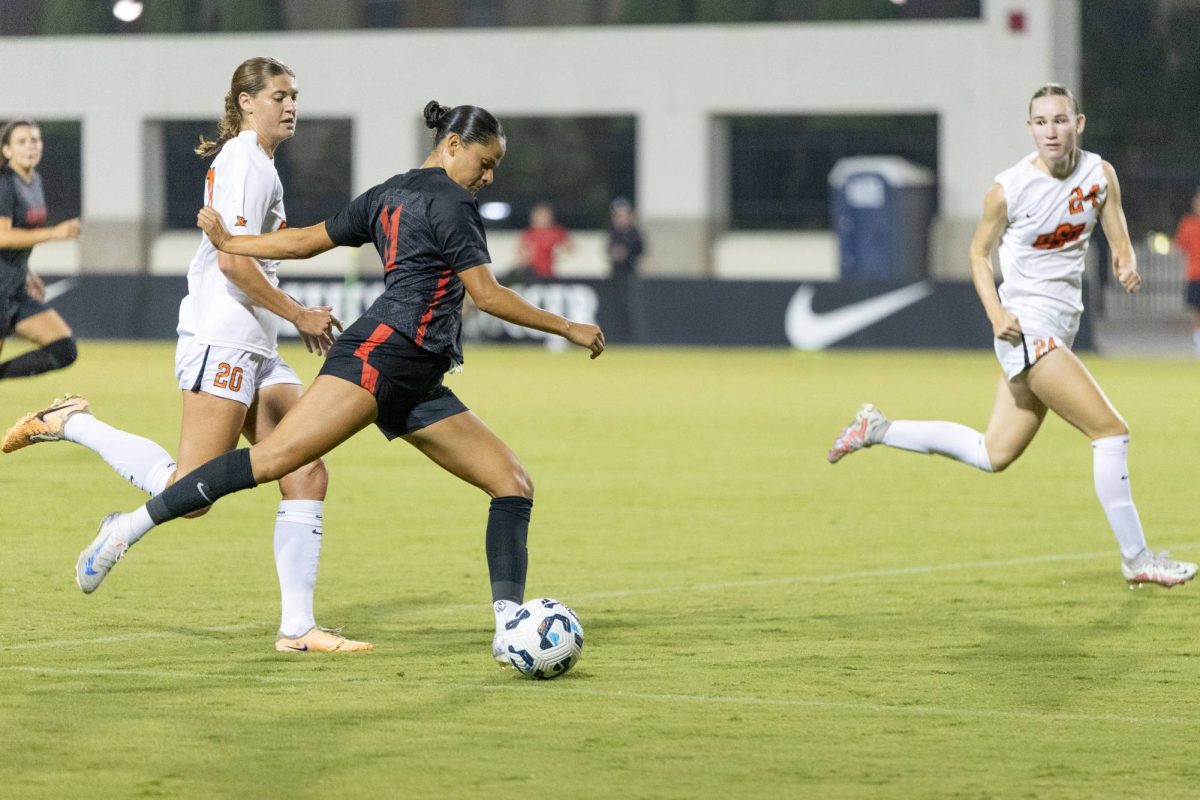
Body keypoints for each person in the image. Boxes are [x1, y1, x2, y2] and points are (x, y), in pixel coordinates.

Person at [71, 100, 606, 665]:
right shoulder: (453, 203)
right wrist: (568, 326)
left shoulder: (388, 193)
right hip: (379, 357)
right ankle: (128, 527)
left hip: (418, 377)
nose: (489, 175)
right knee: (276, 461)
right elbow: (489, 295)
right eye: (486, 161)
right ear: (452, 145)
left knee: (512, 483)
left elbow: (304, 241)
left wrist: (236, 243)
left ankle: (508, 627)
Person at [3, 58, 369, 653]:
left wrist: (287, 314)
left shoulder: (259, 163)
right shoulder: (246, 160)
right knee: (192, 494)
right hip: (223, 335)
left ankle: (297, 629)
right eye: (279, 95)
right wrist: (297, 312)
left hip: (256, 342)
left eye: (295, 96)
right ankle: (75, 424)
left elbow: (250, 255)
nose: (291, 106)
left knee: (306, 469)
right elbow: (232, 261)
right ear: (247, 102)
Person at [826, 83, 1196, 589]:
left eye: (1060, 120)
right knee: (1111, 432)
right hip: (1027, 329)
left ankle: (878, 429)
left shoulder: (1099, 174)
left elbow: (1116, 231)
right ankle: (1138, 559)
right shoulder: (1008, 189)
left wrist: (1126, 260)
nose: (1051, 130)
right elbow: (978, 254)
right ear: (1029, 128)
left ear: (1078, 124)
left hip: (1057, 330)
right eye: (1041, 121)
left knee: (991, 454)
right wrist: (996, 312)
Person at [0, 118, 81, 380]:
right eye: (21, 141)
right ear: (7, 150)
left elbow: (18, 237)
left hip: (15, 289)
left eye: (34, 140)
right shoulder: (4, 183)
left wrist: (26, 272)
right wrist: (54, 233)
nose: (30, 146)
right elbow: (2, 236)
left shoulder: (33, 181)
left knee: (64, 350)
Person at [607, 196, 644, 341]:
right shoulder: (613, 232)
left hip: (630, 274)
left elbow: (640, 249)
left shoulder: (634, 233)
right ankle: (616, 335)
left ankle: (631, 337)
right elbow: (608, 249)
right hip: (615, 275)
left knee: (630, 306)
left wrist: (626, 253)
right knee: (615, 307)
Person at [1173, 187, 1200, 357]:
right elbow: (1180, 246)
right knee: (1196, 310)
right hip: (1195, 273)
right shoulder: (1188, 223)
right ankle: (1198, 341)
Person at [514, 202, 571, 280]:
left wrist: (560, 251)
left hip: (551, 272)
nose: (542, 219)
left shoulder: (557, 232)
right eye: (540, 216)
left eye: (545, 216)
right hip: (533, 272)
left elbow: (568, 248)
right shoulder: (529, 233)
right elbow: (522, 253)